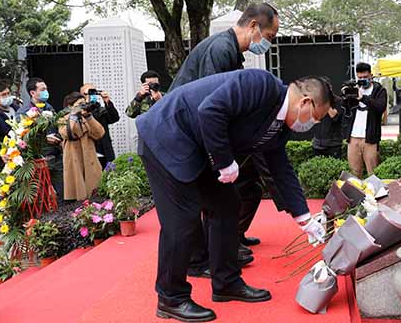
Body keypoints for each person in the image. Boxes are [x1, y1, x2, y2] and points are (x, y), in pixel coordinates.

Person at [137, 69, 330, 322]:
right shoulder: (259, 84)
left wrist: (304, 218)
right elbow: (210, 111)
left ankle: (226, 282)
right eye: (315, 118)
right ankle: (171, 298)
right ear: (305, 102)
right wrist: (225, 162)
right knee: (182, 220)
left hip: (199, 147)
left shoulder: (280, 125)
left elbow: (280, 168)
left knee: (227, 204)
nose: (312, 125)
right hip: (168, 135)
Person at [168, 2, 281, 278]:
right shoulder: (220, 50)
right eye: (270, 37)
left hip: (190, 130)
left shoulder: (229, 50)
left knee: (231, 193)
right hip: (181, 132)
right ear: (253, 26)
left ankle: (223, 247)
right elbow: (210, 106)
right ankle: (199, 260)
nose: (268, 43)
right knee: (208, 197)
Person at [17, 77, 64, 199]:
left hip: (56, 155)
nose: (46, 91)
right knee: (42, 198)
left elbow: (57, 126)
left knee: (64, 194)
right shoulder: (24, 112)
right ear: (33, 93)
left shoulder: (49, 108)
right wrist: (45, 139)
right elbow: (23, 137)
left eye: (46, 89)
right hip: (39, 160)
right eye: (42, 89)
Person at [58, 92, 105, 201]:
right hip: (74, 158)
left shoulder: (87, 118)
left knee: (94, 190)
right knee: (77, 189)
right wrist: (73, 116)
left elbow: (99, 133)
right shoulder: (63, 120)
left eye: (84, 103)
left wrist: (89, 116)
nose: (83, 106)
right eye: (80, 104)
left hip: (89, 157)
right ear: (70, 106)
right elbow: (68, 134)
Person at [344, 63, 388, 178]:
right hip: (353, 137)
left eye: (365, 78)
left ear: (371, 76)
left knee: (372, 174)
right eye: (360, 78)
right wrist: (347, 95)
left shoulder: (379, 90)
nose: (362, 80)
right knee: (354, 174)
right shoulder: (354, 89)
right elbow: (346, 110)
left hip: (370, 138)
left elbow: (380, 107)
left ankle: (373, 195)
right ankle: (356, 196)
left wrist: (363, 98)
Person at [79, 83, 120, 168]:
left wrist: (107, 102)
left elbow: (114, 118)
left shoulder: (101, 110)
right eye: (89, 93)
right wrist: (85, 105)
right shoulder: (78, 111)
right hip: (88, 152)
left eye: (94, 92)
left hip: (105, 151)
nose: (92, 95)